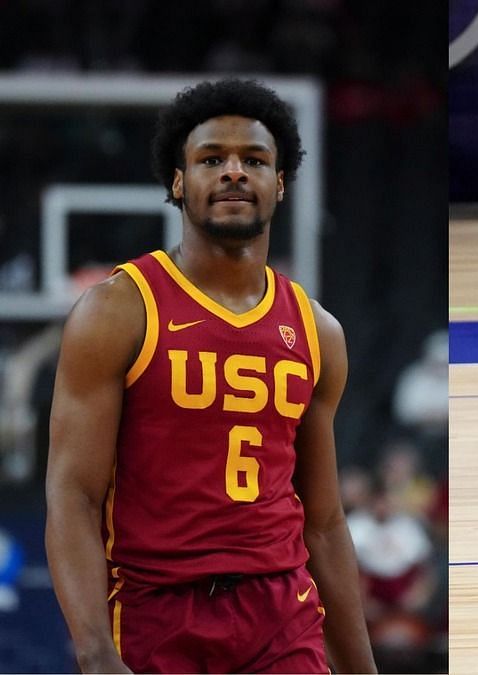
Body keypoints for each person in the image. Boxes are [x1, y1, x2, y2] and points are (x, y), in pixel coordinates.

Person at [45, 78, 377, 673]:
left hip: (281, 611)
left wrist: (362, 666)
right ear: (178, 181)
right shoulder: (118, 310)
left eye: (253, 160)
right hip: (157, 611)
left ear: (279, 182)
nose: (233, 172)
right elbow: (73, 496)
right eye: (210, 159)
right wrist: (95, 651)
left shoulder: (317, 330)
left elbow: (324, 521)